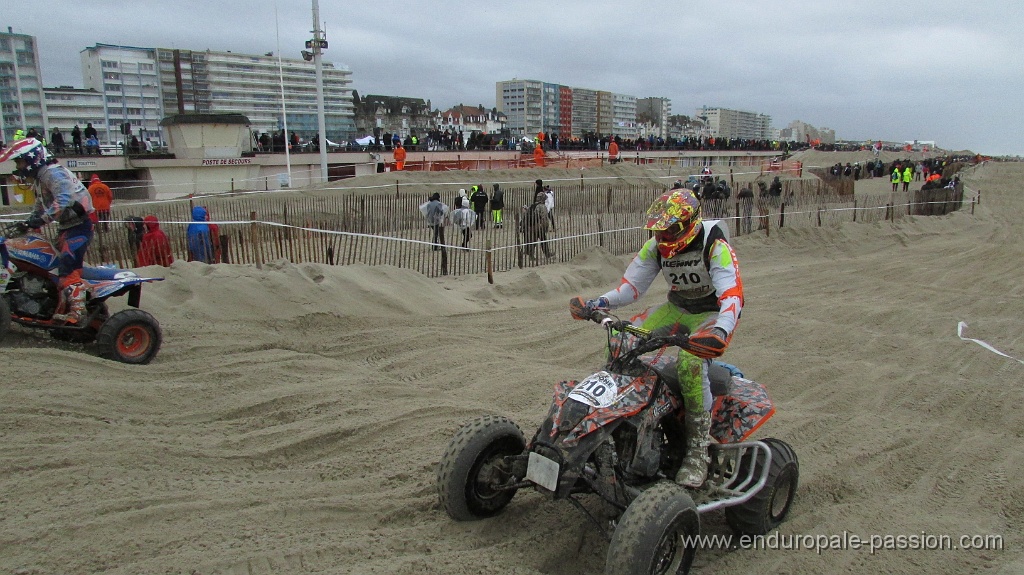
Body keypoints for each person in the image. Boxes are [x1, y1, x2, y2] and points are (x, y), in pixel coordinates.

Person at [571, 188, 743, 488]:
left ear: (688, 224)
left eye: (668, 231)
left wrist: (721, 330)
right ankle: (616, 423)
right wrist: (598, 303)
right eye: (658, 231)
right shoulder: (657, 246)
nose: (662, 238)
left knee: (690, 361)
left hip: (711, 313)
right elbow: (629, 289)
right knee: (623, 340)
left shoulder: (715, 244)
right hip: (677, 308)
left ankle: (697, 451)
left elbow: (731, 294)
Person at [0, 138, 95, 324]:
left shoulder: (52, 173)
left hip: (80, 226)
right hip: (68, 226)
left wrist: (42, 219)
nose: (19, 166)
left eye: (20, 161)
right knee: (52, 265)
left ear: (31, 158)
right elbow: (41, 203)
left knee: (67, 267)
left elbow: (64, 198)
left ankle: (78, 313)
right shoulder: (42, 176)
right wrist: (29, 222)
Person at [520, 189, 553, 259]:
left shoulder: (533, 205)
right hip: (539, 226)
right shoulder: (542, 206)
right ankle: (546, 254)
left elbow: (527, 213)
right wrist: (545, 226)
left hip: (532, 226)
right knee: (542, 240)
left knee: (534, 241)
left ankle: (532, 254)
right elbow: (544, 217)